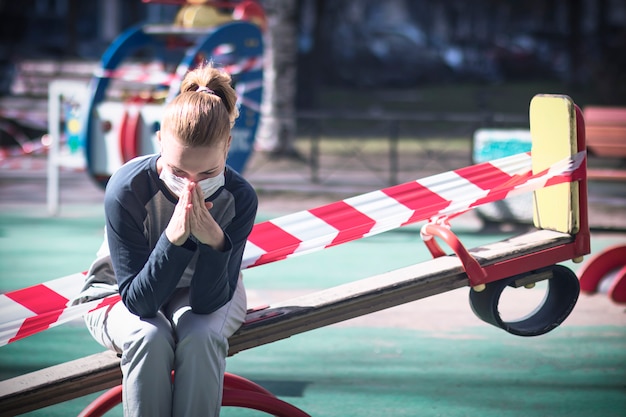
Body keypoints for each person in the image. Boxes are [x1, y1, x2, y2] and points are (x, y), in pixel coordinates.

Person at [73, 63, 258, 417]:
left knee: (202, 335)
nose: (191, 186)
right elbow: (139, 303)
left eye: (207, 173)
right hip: (118, 291)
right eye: (177, 171)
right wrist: (174, 240)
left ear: (228, 147)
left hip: (210, 289)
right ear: (159, 140)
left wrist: (215, 243)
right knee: (149, 337)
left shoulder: (240, 197)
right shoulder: (127, 188)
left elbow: (207, 303)